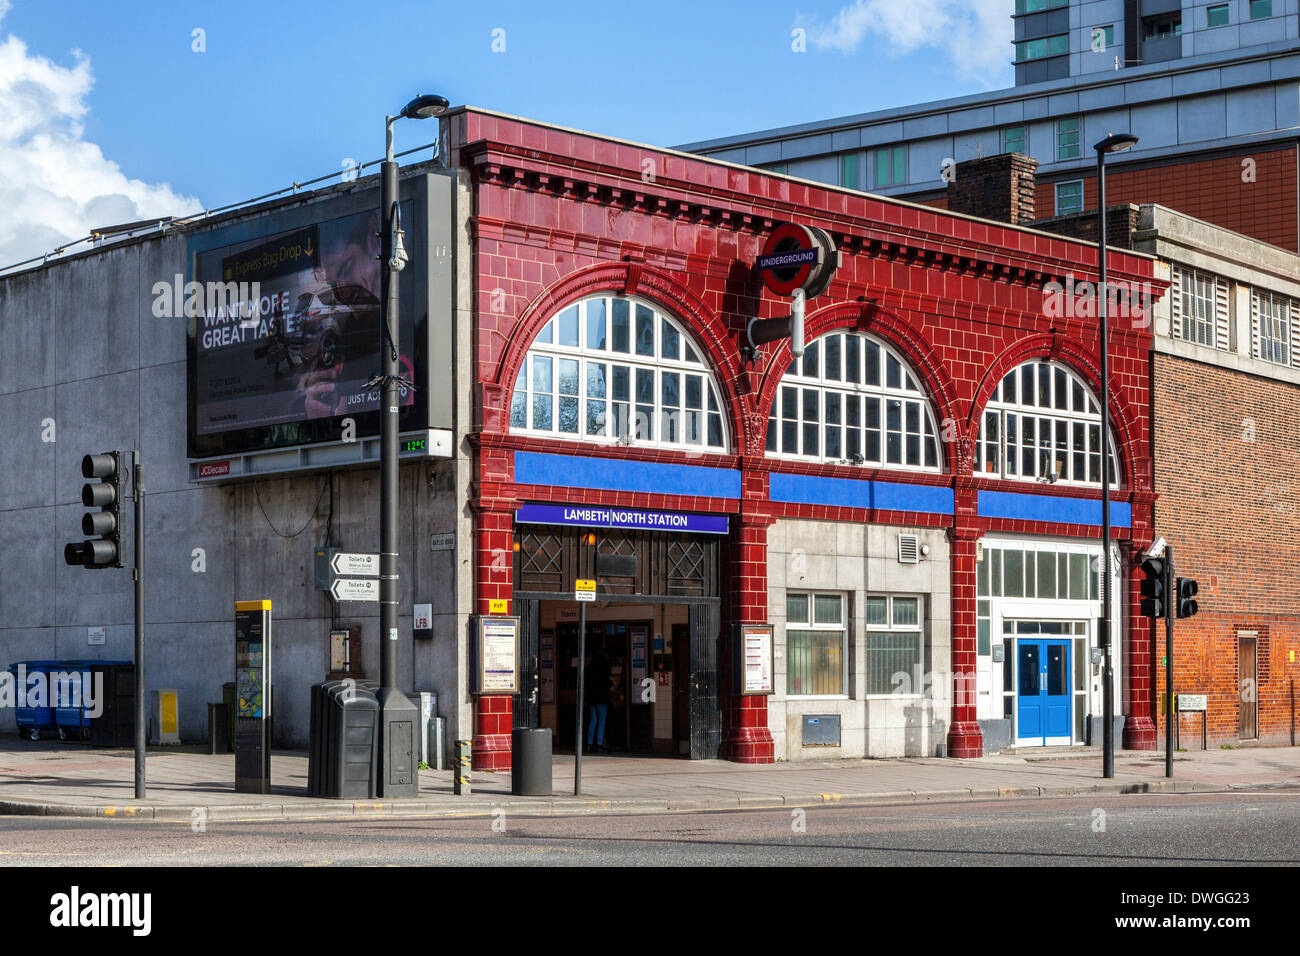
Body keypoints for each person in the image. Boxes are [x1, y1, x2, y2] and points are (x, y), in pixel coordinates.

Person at [584, 647, 611, 753]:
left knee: (593, 720)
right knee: (601, 721)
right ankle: (599, 744)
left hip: (592, 698)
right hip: (602, 698)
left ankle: (590, 743)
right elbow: (606, 682)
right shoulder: (604, 667)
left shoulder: (589, 667)